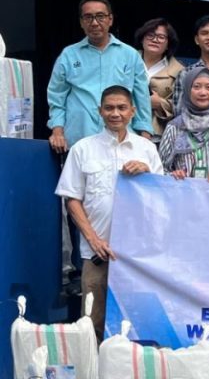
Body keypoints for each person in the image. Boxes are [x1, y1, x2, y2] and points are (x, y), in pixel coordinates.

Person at [55, 85, 163, 341]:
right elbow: (72, 199)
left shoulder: (146, 149)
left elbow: (163, 197)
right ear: (100, 111)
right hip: (97, 253)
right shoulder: (82, 149)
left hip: (138, 254)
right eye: (109, 108)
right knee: (92, 325)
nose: (115, 113)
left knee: (138, 324)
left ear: (133, 112)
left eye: (122, 107)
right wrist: (93, 239)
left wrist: (147, 172)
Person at [48, 0, 152, 153]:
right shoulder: (68, 55)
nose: (94, 22)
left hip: (122, 140)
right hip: (79, 137)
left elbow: (141, 97)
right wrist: (57, 131)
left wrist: (145, 135)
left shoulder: (130, 55)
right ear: (81, 22)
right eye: (88, 17)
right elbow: (57, 97)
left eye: (100, 16)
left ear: (110, 20)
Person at [159, 67, 209, 182]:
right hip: (183, 195)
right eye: (196, 87)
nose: (203, 92)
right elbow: (159, 167)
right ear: (187, 90)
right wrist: (172, 175)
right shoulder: (174, 127)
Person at [135, 17, 184, 141]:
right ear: (142, 39)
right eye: (150, 35)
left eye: (161, 37)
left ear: (168, 44)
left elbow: (183, 106)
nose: (155, 40)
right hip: (124, 127)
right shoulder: (126, 59)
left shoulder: (180, 70)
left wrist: (160, 103)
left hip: (157, 135)